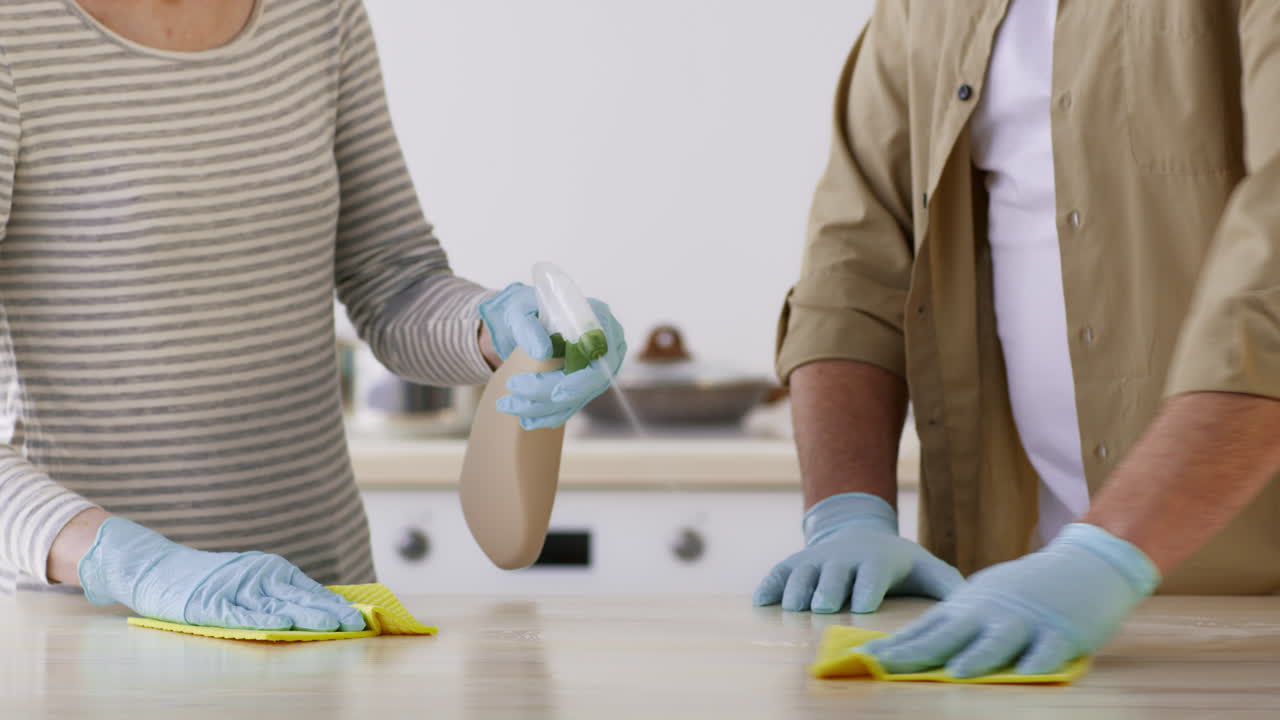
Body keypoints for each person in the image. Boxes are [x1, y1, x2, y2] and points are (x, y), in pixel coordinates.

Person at [0, 0, 623, 631]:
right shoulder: (15, 32)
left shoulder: (319, 15)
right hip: (87, 620)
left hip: (322, 608)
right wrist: (128, 562)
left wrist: (495, 331)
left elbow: (393, 280)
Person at [756, 0, 1280, 678]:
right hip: (1017, 606)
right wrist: (847, 514)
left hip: (1254, 625)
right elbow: (853, 262)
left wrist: (1106, 557)